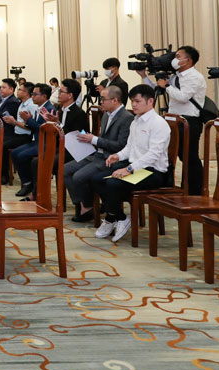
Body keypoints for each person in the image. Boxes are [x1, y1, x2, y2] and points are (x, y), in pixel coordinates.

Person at [91, 85, 170, 243]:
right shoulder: (135, 121)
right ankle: (118, 217)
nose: (133, 105)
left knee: (113, 183)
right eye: (132, 101)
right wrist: (117, 156)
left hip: (153, 172)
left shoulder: (158, 124)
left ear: (150, 101)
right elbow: (130, 147)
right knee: (96, 179)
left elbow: (153, 155)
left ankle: (112, 217)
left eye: (138, 101)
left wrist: (128, 169)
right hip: (136, 168)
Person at [138, 45, 206, 194]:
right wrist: (144, 77)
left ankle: (195, 192)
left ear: (187, 60)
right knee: (173, 155)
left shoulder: (194, 77)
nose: (174, 60)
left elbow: (183, 97)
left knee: (189, 157)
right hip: (174, 121)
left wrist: (167, 86)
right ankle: (175, 186)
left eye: (178, 56)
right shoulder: (176, 76)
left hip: (189, 122)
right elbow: (157, 89)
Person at [64, 85, 133, 221]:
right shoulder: (107, 115)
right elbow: (103, 139)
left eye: (103, 99)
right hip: (97, 154)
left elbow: (121, 146)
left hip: (110, 158)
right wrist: (91, 139)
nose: (101, 102)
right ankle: (85, 205)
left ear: (115, 100)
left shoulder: (126, 118)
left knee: (78, 176)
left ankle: (88, 207)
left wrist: (95, 139)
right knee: (65, 170)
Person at [10, 83, 56, 196]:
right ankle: (27, 182)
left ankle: (29, 183)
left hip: (45, 143)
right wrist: (27, 120)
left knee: (21, 156)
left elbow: (44, 129)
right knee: (15, 153)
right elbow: (35, 127)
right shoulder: (39, 107)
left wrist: (28, 120)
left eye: (35, 94)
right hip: (37, 141)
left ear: (44, 96)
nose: (32, 96)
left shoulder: (49, 109)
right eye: (32, 94)